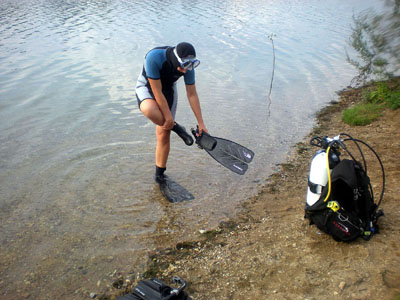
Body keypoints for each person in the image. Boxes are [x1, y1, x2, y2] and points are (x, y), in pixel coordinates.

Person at [136, 42, 208, 182]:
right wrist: (169, 118)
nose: (185, 71)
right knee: (149, 110)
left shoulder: (188, 66)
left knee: (164, 132)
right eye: (183, 67)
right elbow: (156, 92)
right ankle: (177, 127)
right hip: (148, 87)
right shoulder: (154, 57)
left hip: (168, 90)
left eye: (189, 67)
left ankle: (160, 175)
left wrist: (201, 123)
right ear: (176, 61)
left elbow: (192, 94)